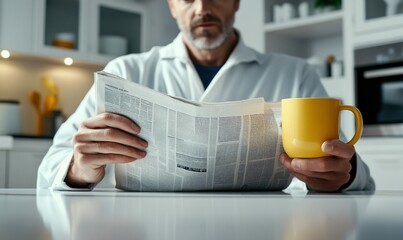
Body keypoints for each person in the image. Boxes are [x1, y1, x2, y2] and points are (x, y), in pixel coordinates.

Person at [37, 0, 375, 192]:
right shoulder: (124, 72)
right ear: (171, 5)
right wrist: (79, 166)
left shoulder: (295, 73)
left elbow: (354, 174)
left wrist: (345, 174)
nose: (201, 8)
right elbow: (50, 168)